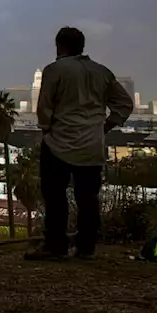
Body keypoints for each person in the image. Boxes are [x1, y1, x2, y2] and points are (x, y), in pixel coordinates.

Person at [27, 26, 133, 261]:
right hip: (92, 145)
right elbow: (124, 104)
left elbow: (44, 108)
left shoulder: (54, 70)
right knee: (87, 197)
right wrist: (106, 125)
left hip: (59, 142)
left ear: (59, 46)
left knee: (55, 195)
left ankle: (56, 245)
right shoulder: (102, 72)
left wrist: (47, 129)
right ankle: (86, 247)